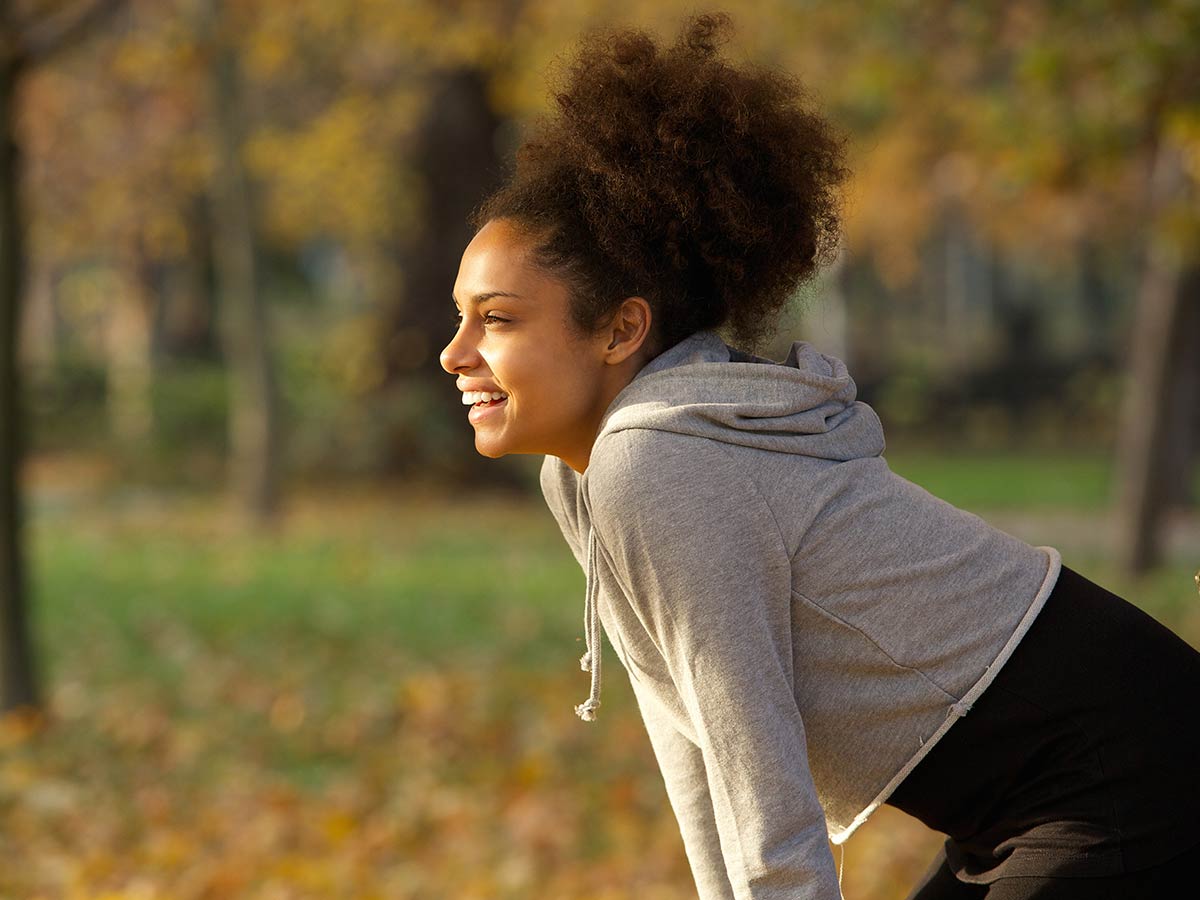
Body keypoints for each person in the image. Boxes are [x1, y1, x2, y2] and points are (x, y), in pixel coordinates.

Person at [439, 12, 1200, 899]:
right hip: (1031, 792)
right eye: (460, 315)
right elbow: (694, 736)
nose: (455, 352)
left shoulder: (658, 464)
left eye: (496, 319)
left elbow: (755, 763)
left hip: (1129, 770)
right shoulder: (590, 474)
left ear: (622, 329)